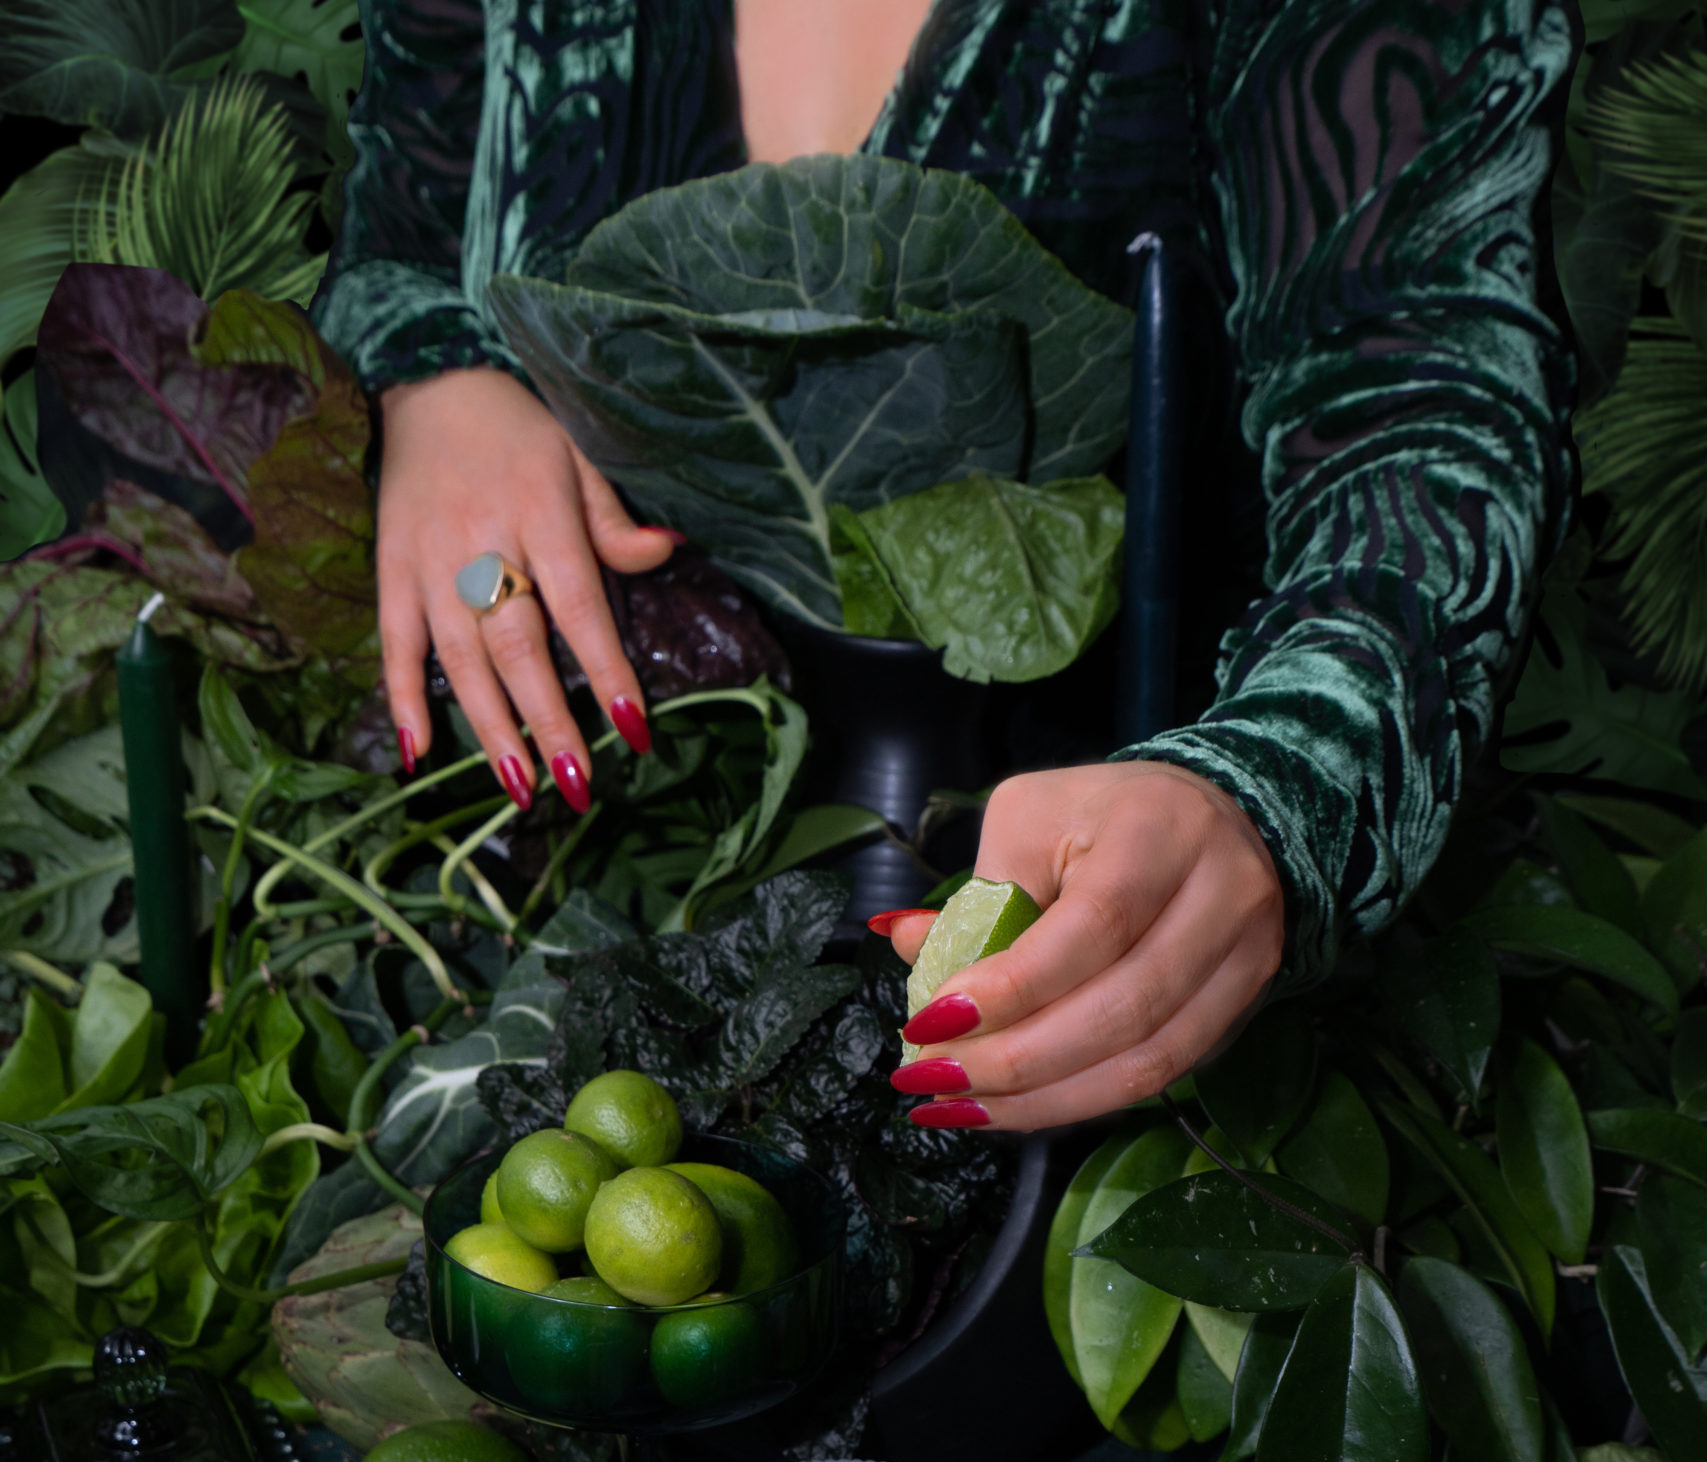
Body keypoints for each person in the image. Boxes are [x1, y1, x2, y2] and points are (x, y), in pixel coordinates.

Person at [318, 0, 1575, 1131]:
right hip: (538, 928)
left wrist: (1281, 783)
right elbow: (410, 212)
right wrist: (438, 372)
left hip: (1124, 1010)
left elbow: (1420, 401)